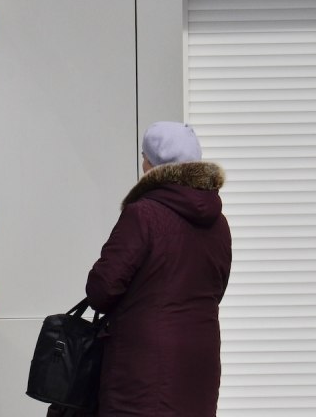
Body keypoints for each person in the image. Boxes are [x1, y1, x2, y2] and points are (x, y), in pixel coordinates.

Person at [80, 121, 232, 416]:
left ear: (152, 163)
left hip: (143, 368)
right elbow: (217, 288)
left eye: (144, 156)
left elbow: (102, 289)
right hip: (201, 361)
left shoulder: (143, 214)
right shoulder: (219, 223)